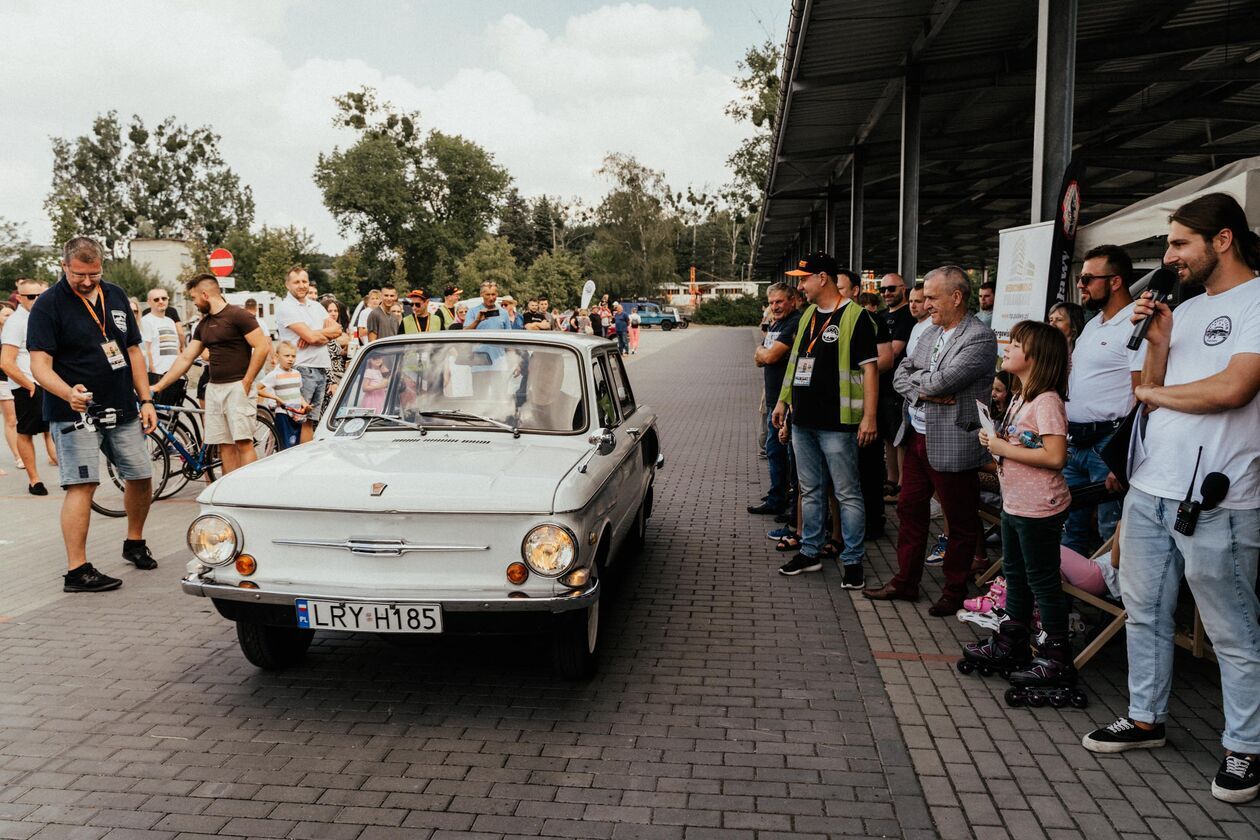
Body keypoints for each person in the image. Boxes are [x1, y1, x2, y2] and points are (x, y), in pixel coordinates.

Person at [1081, 193, 1260, 805]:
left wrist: (1158, 396)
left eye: (1180, 243)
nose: (1169, 256)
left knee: (1232, 628)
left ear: (1224, 240)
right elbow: (1147, 389)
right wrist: (1157, 342)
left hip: (1223, 497)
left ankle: (1246, 747)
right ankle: (1144, 718)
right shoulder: (1181, 310)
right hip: (1153, 487)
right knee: (1147, 610)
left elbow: (1235, 388)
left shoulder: (1257, 300)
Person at [26, 237, 160, 592]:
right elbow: (39, 365)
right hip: (75, 412)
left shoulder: (114, 295)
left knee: (141, 474)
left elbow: (132, 351)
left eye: (94, 274)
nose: (87, 281)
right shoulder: (48, 305)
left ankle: (134, 542)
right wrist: (68, 392)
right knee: (82, 485)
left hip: (123, 406)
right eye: (79, 274)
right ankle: (77, 570)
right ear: (64, 265)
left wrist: (145, 399)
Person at [864, 265, 997, 616]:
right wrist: (926, 390)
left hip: (952, 441)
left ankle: (955, 589)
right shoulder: (929, 332)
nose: (925, 304)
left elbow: (943, 382)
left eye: (933, 297)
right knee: (909, 510)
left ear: (956, 297)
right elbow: (901, 375)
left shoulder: (979, 337)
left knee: (960, 518)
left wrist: (925, 386)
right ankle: (906, 580)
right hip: (918, 435)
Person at [966, 320, 1074, 692]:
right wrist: (994, 438)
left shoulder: (1046, 400)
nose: (1007, 347)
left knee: (1042, 580)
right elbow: (1022, 445)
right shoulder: (1020, 395)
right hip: (1016, 503)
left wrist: (1002, 448)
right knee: (1014, 575)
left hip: (1039, 506)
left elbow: (1056, 455)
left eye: (1016, 343)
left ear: (1036, 356)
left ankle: (1056, 655)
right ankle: (1012, 639)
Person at [771, 253, 878, 588]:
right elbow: (796, 364)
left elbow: (870, 369)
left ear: (822, 278)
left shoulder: (856, 317)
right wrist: (783, 402)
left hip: (839, 422)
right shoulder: (807, 317)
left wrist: (870, 418)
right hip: (803, 419)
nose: (800, 286)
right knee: (811, 489)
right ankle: (810, 551)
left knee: (847, 492)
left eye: (803, 280)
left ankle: (853, 561)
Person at [1061, 245, 1144, 557]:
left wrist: (1122, 457)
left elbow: (1142, 394)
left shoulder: (1136, 323)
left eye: (1087, 278)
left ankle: (1114, 599)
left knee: (1113, 529)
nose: (1081, 284)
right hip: (1077, 441)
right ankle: (1066, 599)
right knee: (1070, 524)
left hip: (1107, 443)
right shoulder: (1094, 324)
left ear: (1115, 281)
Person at [154, 273, 271, 472]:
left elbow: (262, 346)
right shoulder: (203, 325)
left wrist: (248, 381)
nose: (194, 303)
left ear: (205, 295)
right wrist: (158, 385)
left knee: (243, 442)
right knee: (224, 445)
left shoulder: (239, 316)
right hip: (214, 389)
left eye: (194, 298)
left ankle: (250, 490)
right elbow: (185, 358)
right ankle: (229, 494)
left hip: (238, 387)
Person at [750, 282, 802, 517]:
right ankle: (777, 496)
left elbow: (768, 356)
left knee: (788, 452)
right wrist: (765, 355)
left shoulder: (794, 322)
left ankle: (789, 504)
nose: (775, 307)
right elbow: (759, 357)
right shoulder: (776, 323)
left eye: (779, 302)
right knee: (775, 451)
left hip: (787, 400)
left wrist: (765, 355)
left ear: (793, 300)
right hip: (773, 398)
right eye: (771, 303)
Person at [1, 278, 56, 494]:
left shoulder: (44, 317)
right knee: (26, 432)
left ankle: (66, 472)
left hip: (48, 382)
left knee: (52, 429)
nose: (36, 300)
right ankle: (34, 480)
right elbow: (6, 361)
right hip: (28, 385)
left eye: (40, 296)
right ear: (20, 298)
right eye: (31, 297)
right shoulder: (16, 322)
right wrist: (28, 384)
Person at [275, 267, 341, 443]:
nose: (302, 285)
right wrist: (318, 335)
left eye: (304, 281)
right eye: (296, 282)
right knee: (296, 420)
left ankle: (304, 461)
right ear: (287, 284)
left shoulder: (317, 306)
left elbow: (337, 331)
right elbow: (315, 336)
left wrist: (316, 335)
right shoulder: (286, 307)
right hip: (301, 369)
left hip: (320, 368)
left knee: (310, 422)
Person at [879, 273, 917, 502]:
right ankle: (891, 480)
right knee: (887, 436)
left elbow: (892, 352)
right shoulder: (883, 316)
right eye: (883, 289)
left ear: (903, 288)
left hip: (898, 387)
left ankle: (902, 485)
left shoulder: (907, 317)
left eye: (892, 288)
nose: (887, 293)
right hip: (883, 385)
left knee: (899, 437)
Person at [140, 286, 186, 408]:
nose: (161, 301)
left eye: (164, 298)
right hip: (157, 373)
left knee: (170, 409)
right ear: (149, 302)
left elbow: (176, 347)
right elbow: (147, 349)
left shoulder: (170, 321)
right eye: (156, 299)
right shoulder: (147, 321)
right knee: (156, 410)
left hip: (172, 373)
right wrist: (153, 370)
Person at [258, 341, 308, 450]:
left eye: (293, 356)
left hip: (296, 414)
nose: (290, 359)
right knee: (285, 445)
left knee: (295, 443)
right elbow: (258, 389)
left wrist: (304, 404)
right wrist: (275, 398)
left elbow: (297, 392)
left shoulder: (297, 374)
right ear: (277, 356)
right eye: (286, 356)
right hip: (283, 413)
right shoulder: (275, 375)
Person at [322, 298, 351, 416]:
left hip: (341, 375)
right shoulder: (321, 332)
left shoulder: (339, 329)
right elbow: (323, 358)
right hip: (329, 378)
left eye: (335, 310)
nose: (333, 313)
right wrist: (331, 381)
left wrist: (345, 352)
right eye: (330, 311)